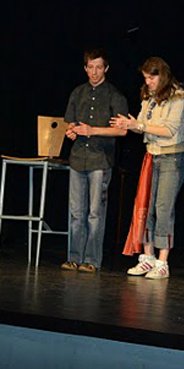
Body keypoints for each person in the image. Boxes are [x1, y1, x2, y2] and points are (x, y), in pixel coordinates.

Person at [110, 57, 184, 280]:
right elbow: (142, 125)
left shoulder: (178, 96)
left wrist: (139, 125)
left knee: (163, 208)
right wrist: (129, 125)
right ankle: (148, 257)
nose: (148, 82)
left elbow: (170, 130)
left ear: (162, 75)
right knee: (146, 205)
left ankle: (163, 262)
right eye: (145, 77)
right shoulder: (149, 96)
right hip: (151, 155)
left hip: (172, 157)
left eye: (151, 78)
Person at [62, 49, 128, 273]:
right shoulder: (77, 92)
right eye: (90, 67)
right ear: (85, 68)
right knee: (76, 212)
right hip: (78, 158)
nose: (94, 72)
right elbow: (70, 123)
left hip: (100, 159)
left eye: (99, 67)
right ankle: (74, 257)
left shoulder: (114, 95)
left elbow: (122, 131)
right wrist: (71, 131)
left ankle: (91, 260)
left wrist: (93, 130)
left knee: (95, 213)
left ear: (106, 68)